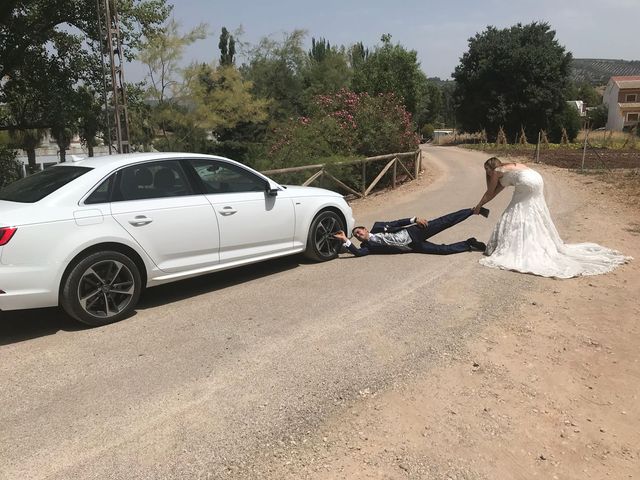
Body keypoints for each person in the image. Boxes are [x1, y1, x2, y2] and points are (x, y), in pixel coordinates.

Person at [473, 157, 631, 278]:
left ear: (491, 167)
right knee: (528, 212)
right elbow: (495, 192)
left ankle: (517, 245)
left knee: (514, 212)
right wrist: (481, 204)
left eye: (486, 169)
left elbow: (489, 192)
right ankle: (529, 239)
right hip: (536, 179)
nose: (486, 172)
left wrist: (479, 206)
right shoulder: (509, 166)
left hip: (526, 183)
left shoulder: (496, 171)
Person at [333, 207, 489, 256]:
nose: (359, 235)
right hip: (412, 246)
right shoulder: (367, 248)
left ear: (365, 229)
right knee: (443, 251)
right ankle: (469, 244)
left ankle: (473, 211)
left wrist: (414, 220)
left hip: (414, 232)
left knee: (445, 222)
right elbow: (358, 253)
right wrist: (345, 240)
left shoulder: (378, 226)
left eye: (359, 232)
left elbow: (397, 222)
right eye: (357, 236)